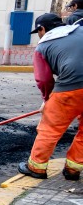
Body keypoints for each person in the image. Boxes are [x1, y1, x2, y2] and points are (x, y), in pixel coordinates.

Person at [17, 13, 83, 180]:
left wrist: (47, 100)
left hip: (71, 88)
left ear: (42, 29)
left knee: (50, 129)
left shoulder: (43, 46)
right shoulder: (80, 30)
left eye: (38, 32)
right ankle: (73, 170)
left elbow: (44, 80)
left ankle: (36, 167)